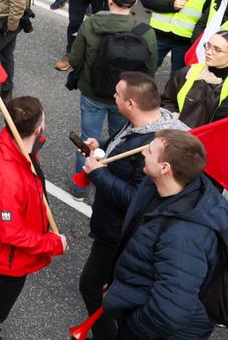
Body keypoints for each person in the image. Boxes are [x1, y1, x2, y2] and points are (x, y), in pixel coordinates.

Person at [78, 73, 187, 340]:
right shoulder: (143, 123)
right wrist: (101, 149)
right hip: (114, 226)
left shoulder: (152, 148)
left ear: (130, 104)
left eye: (117, 94)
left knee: (91, 287)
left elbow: (138, 201)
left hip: (118, 232)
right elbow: (119, 148)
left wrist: (98, 175)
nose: (113, 96)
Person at [102, 129, 228, 339]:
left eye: (149, 151)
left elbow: (169, 312)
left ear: (165, 168)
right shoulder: (158, 186)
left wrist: (130, 325)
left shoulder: (183, 236)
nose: (143, 153)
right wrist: (120, 287)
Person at [0, 96, 67, 340]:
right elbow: (9, 232)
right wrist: (52, 244)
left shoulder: (9, 141)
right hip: (2, 261)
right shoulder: (6, 177)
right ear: (38, 128)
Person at [67, 0, 157, 194]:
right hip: (127, 99)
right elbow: (150, 70)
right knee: (120, 143)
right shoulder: (146, 32)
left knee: (87, 141)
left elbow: (74, 58)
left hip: (93, 92)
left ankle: (80, 188)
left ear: (109, 0)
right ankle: (109, 185)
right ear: (133, 3)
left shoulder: (91, 24)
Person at [162, 30, 228, 128]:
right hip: (176, 134)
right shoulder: (187, 72)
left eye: (217, 50)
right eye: (208, 45)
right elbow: (167, 100)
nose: (208, 52)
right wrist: (173, 117)